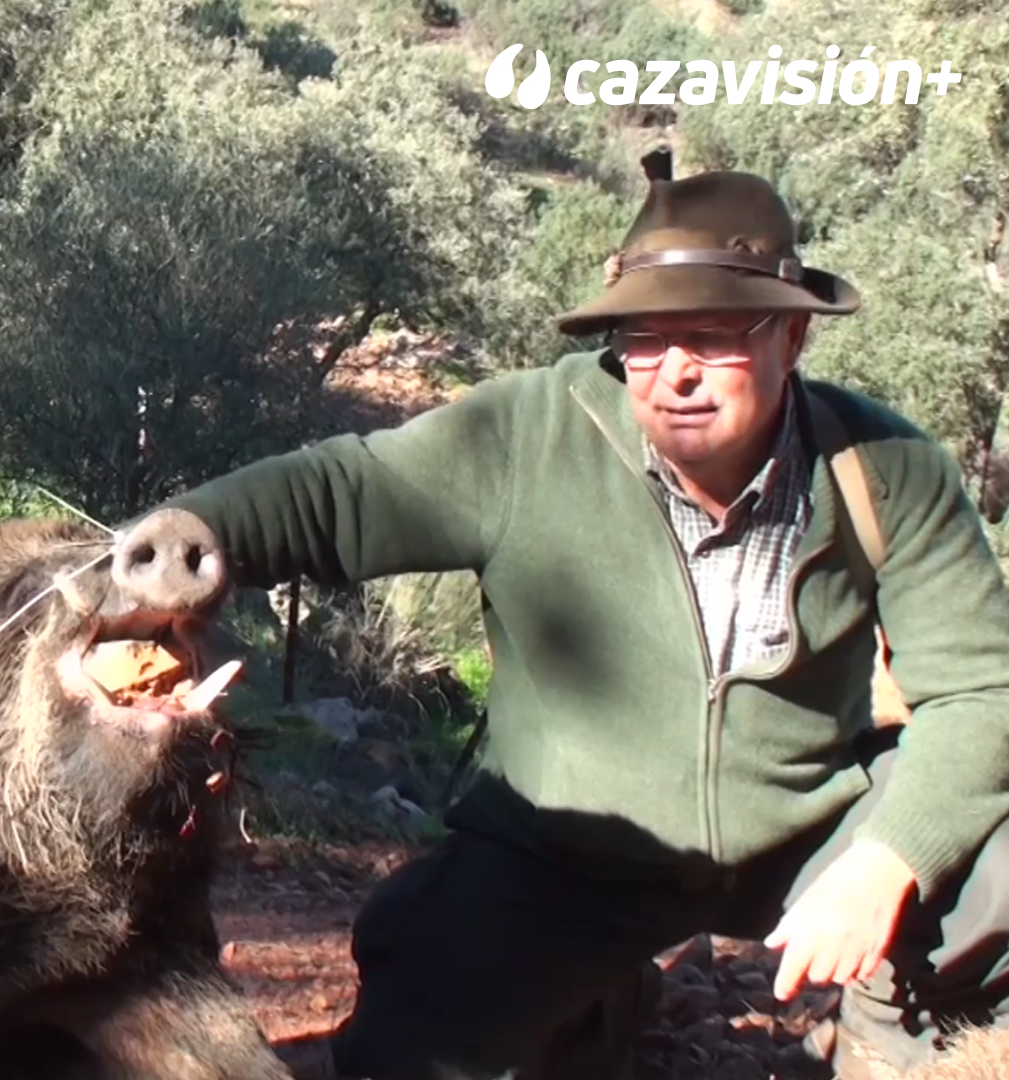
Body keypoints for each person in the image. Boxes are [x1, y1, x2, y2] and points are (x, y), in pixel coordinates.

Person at [154, 153, 1009, 1079]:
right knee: (417, 1031)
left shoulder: (886, 467)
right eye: (643, 338)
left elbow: (981, 690)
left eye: (715, 335)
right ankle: (592, 1004)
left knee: (993, 876)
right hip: (568, 857)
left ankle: (905, 1043)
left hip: (808, 829)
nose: (675, 374)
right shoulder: (532, 434)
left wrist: (889, 857)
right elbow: (344, 489)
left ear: (792, 338)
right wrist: (182, 542)